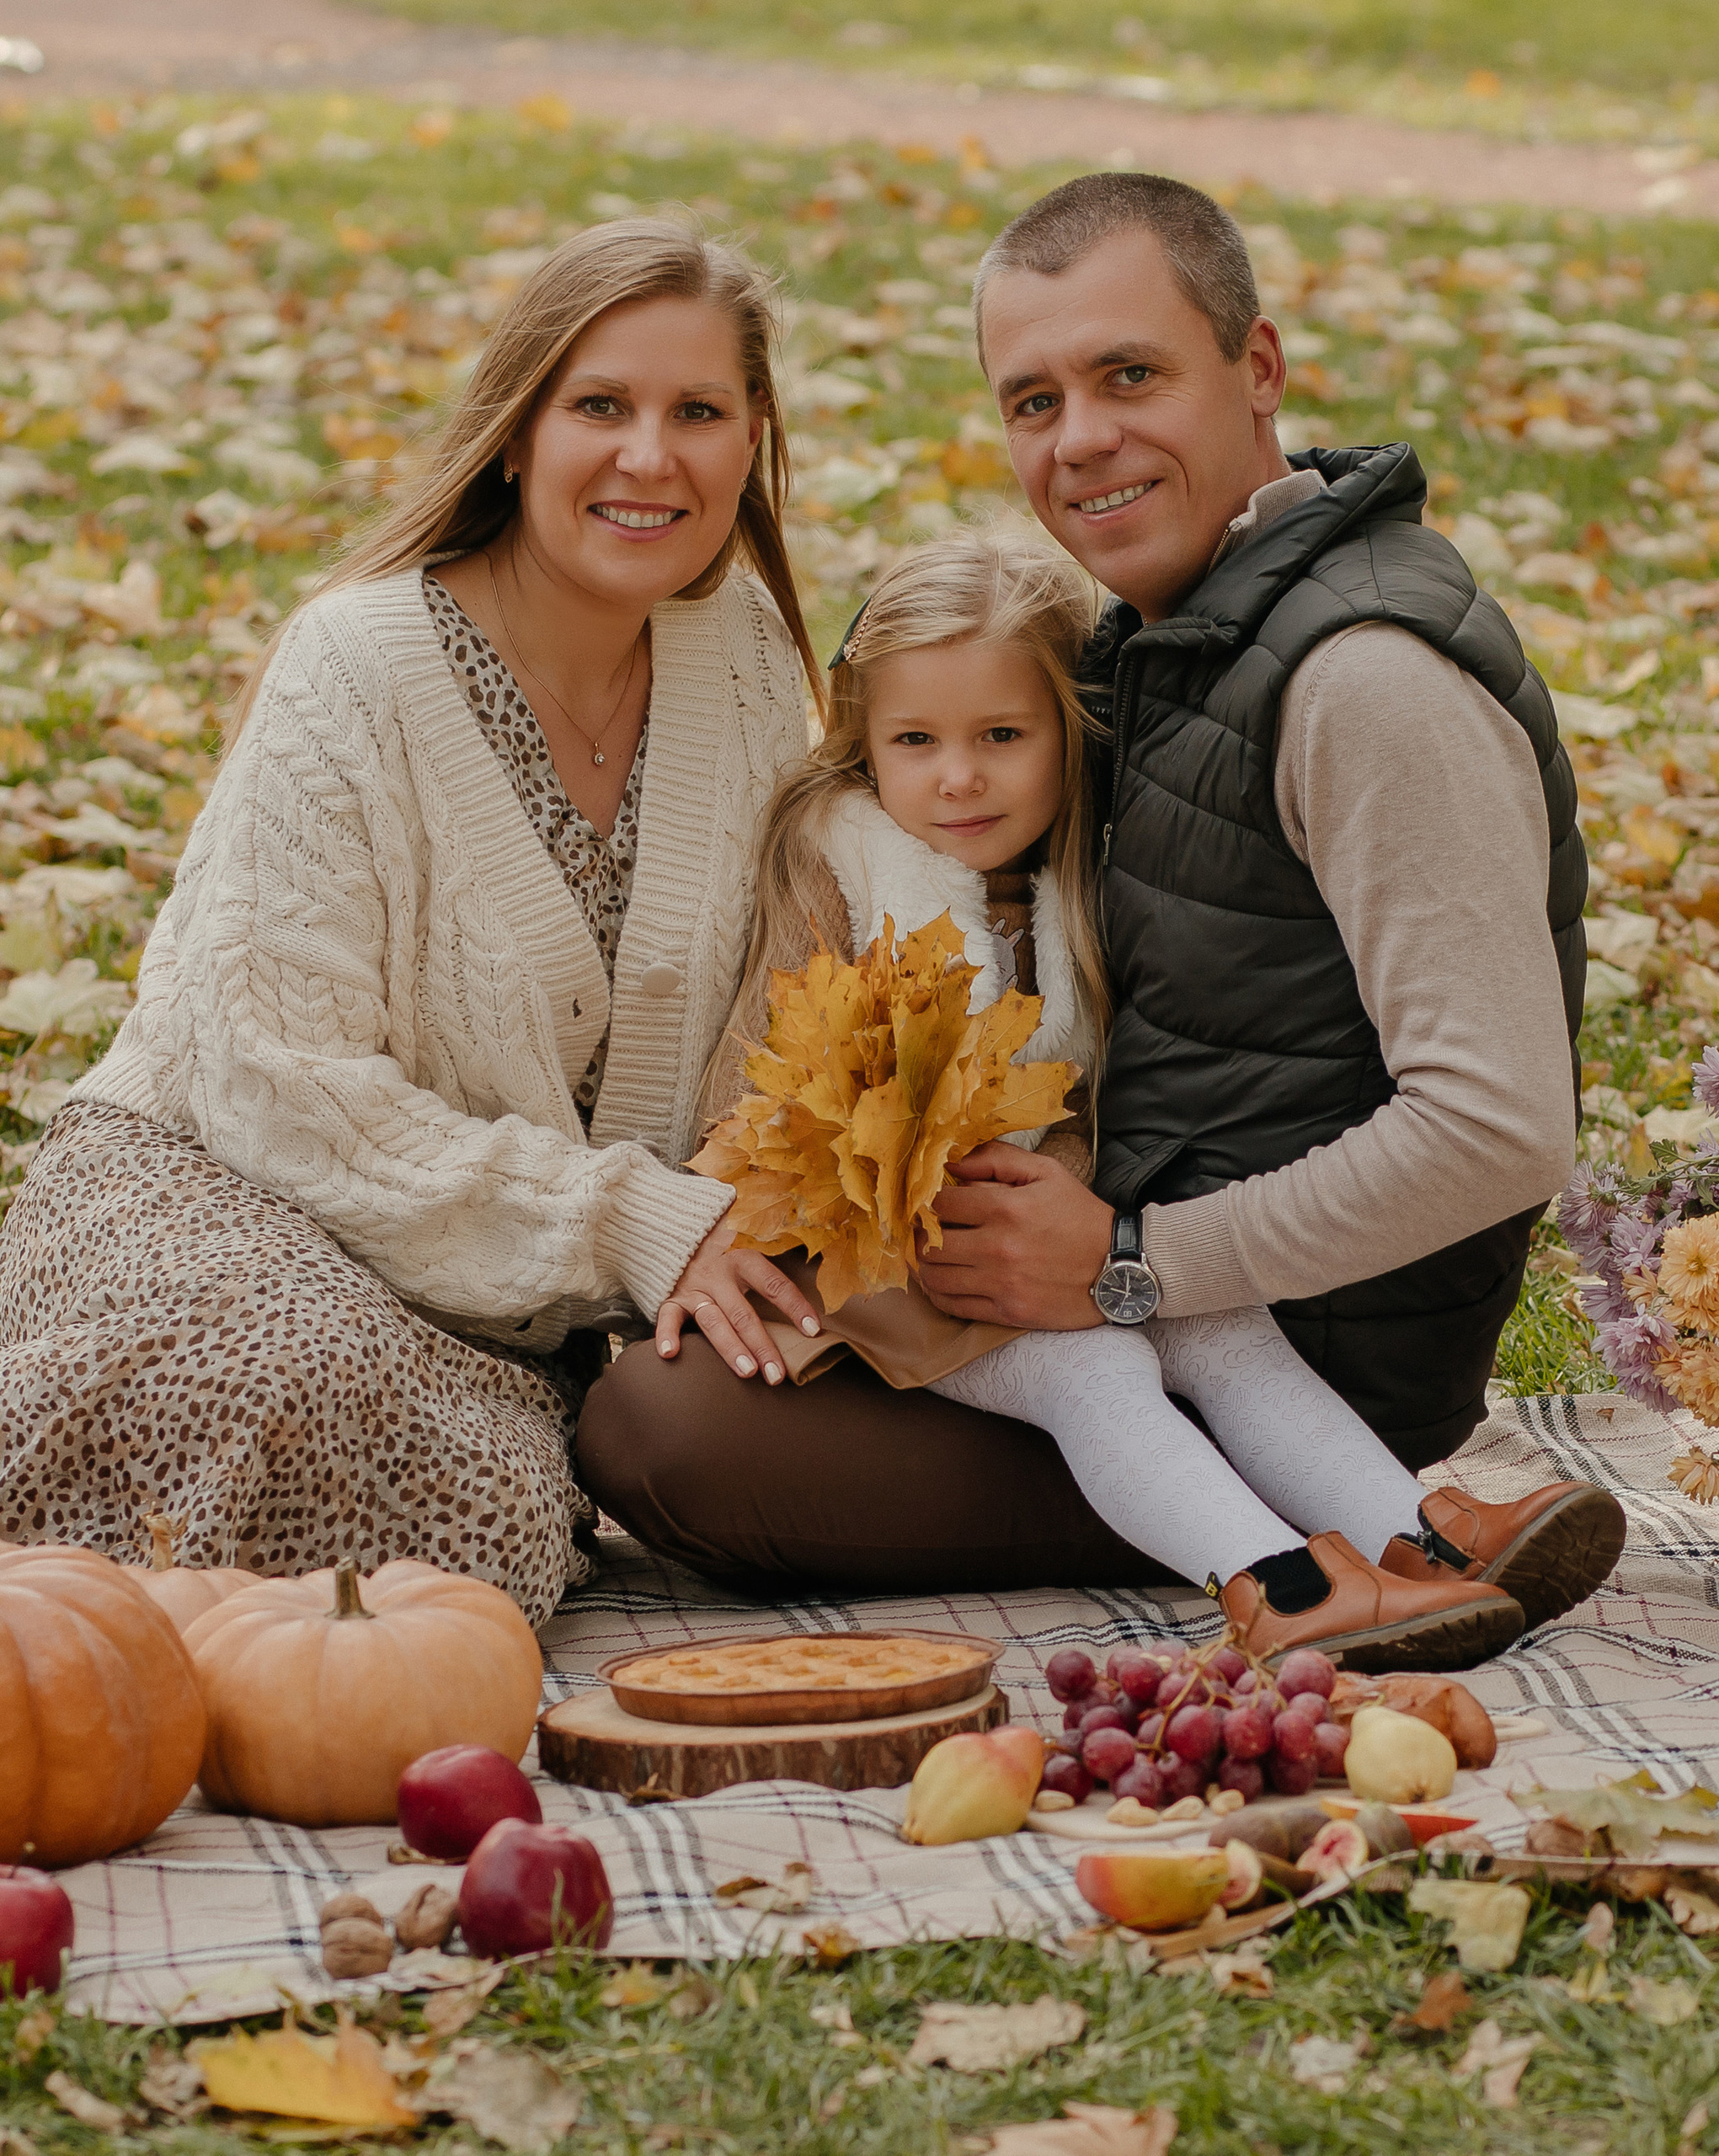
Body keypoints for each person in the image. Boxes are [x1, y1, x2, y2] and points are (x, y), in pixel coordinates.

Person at [580, 176, 1621, 1643]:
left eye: (1130, 374)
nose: (1079, 441)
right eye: (1032, 400)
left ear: (1257, 368)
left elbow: (1504, 1129)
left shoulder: (1364, 681)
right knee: (690, 1387)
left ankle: (1315, 1556)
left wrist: (1128, 1268)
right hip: (1115, 1251)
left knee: (659, 1438)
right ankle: (1407, 1534)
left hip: (1281, 1317)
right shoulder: (1159, 643)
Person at [0, 216, 828, 1623]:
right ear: (515, 434)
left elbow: (781, 1000)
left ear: (753, 442)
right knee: (268, 1386)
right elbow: (275, 1080)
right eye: (601, 406)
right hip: (223, 1183)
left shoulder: (745, 660)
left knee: (485, 1507)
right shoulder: (359, 664)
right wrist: (626, 1215)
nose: (652, 457)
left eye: (700, 411)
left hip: (509, 1302)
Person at [671, 524, 1525, 1668]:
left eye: (1002, 736)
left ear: (1067, 734)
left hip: (1040, 1227)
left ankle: (1423, 1543)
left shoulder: (1077, 874)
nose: (958, 776)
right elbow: (761, 1088)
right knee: (1101, 1366)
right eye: (915, 739)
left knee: (1225, 1327)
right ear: (861, 742)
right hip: (884, 1257)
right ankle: (1277, 1586)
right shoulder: (840, 862)